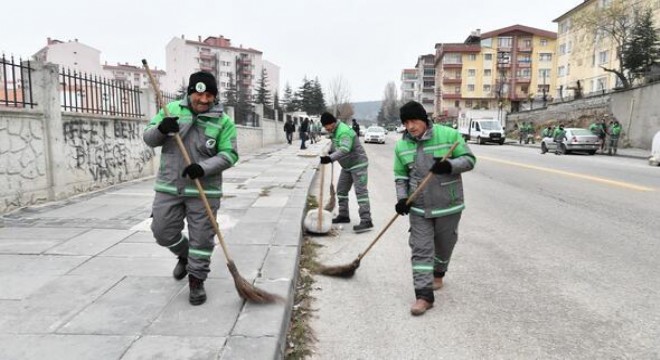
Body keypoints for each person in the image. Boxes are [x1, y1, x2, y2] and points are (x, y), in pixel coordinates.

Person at [143, 71, 239, 306]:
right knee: (162, 231)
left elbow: (230, 154)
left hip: (204, 190)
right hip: (169, 186)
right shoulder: (171, 110)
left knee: (203, 238)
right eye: (200, 94)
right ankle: (184, 254)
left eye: (210, 96)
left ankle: (196, 279)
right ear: (190, 93)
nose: (204, 100)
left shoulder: (223, 121)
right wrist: (162, 130)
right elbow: (149, 137)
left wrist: (203, 168)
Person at [393, 101, 476, 316]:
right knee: (420, 249)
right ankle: (424, 296)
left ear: (424, 119)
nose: (410, 127)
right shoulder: (402, 146)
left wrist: (449, 166)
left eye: (414, 121)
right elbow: (401, 177)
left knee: (445, 245)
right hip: (419, 208)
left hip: (448, 204)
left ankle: (439, 273)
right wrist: (402, 199)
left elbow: (469, 160)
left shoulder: (448, 136)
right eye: (406, 122)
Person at [319, 112, 373, 233]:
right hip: (347, 166)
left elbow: (344, 149)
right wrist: (330, 152)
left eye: (326, 126)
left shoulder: (343, 131)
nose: (325, 129)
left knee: (361, 192)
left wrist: (330, 158)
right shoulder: (334, 131)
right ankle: (344, 215)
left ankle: (366, 219)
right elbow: (336, 145)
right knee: (341, 191)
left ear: (331, 123)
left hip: (358, 164)